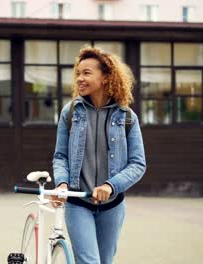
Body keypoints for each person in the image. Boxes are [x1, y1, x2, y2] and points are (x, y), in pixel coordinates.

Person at [52, 47, 146, 264]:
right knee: (89, 262)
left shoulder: (127, 117)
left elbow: (138, 164)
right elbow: (60, 156)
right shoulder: (71, 112)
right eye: (78, 73)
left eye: (86, 73)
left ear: (105, 78)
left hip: (113, 206)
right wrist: (63, 183)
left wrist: (110, 186)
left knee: (105, 261)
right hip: (78, 203)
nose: (79, 79)